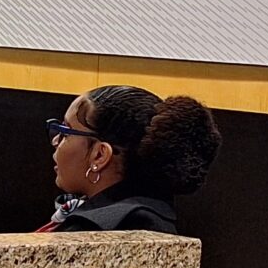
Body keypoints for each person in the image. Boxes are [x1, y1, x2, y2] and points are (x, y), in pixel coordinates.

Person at [39, 85, 220, 234]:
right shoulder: (153, 211)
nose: (56, 141)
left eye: (65, 132)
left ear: (100, 155)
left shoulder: (91, 231)